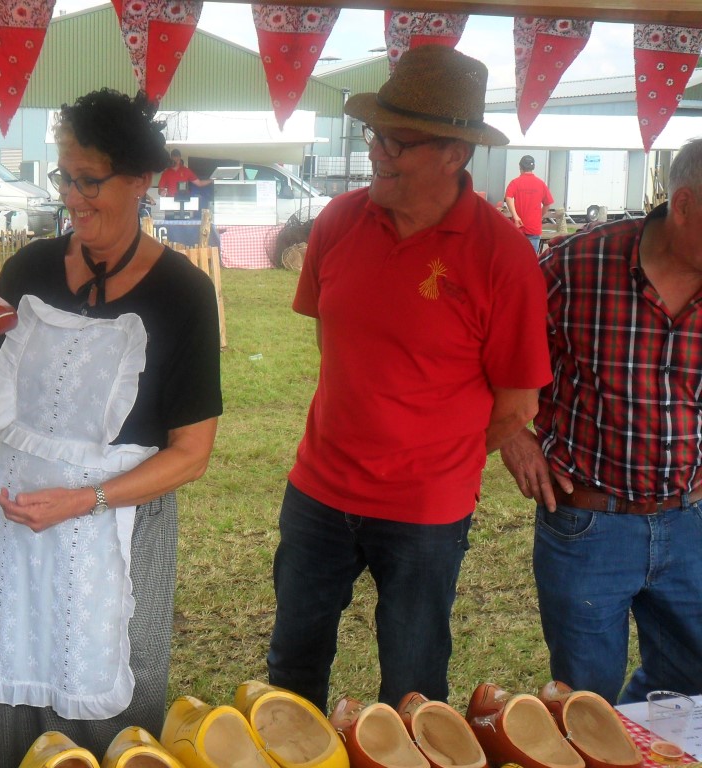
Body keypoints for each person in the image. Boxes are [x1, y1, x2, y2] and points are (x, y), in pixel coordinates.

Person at [0, 88, 222, 764]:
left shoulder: (181, 293)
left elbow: (191, 453)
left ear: (139, 180)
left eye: (89, 180)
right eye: (64, 178)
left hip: (118, 524)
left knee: (112, 701)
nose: (72, 197)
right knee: (20, 680)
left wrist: (86, 499)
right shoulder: (31, 268)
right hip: (20, 519)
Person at [266, 45, 552, 713]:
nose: (377, 152)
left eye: (397, 141)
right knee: (292, 665)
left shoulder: (502, 257)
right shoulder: (339, 221)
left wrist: (432, 455)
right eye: (376, 134)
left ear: (454, 153)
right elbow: (333, 342)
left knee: (414, 685)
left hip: (426, 510)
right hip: (318, 490)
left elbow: (516, 406)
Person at [499, 138, 702, 705]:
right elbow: (490, 352)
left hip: (691, 520)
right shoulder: (576, 265)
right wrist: (512, 435)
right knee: (586, 700)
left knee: (690, 694)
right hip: (589, 524)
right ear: (684, 205)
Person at [504, 154, 555, 253]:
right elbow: (547, 204)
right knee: (532, 259)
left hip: (518, 228)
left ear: (520, 166)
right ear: (533, 167)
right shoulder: (540, 183)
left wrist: (515, 216)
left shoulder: (515, 182)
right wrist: (539, 215)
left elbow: (508, 197)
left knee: (517, 258)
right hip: (534, 228)